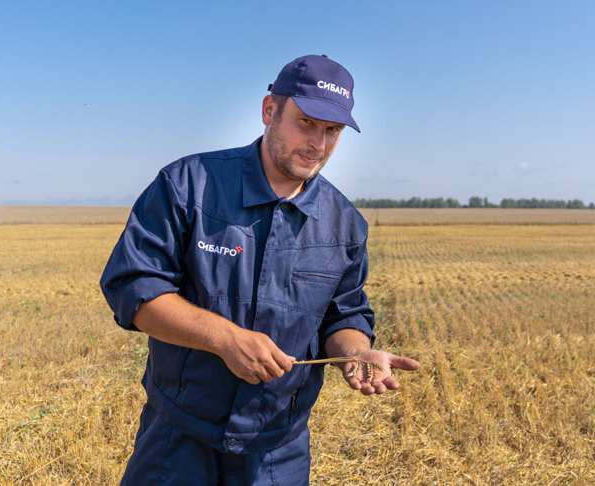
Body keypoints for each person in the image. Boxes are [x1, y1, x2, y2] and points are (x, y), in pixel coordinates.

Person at [99, 54, 420, 485]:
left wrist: (355, 351)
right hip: (178, 434)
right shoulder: (189, 186)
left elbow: (343, 315)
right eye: (306, 122)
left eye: (332, 131)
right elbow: (134, 289)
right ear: (270, 110)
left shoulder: (344, 224)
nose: (318, 144)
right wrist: (226, 340)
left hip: (277, 449)